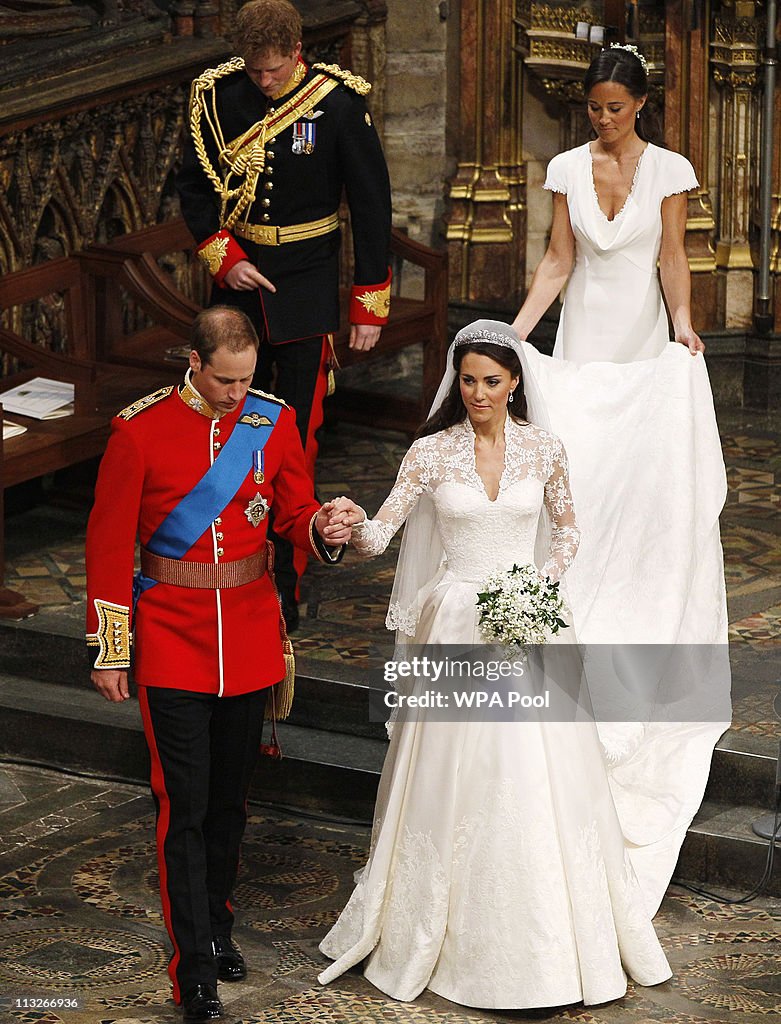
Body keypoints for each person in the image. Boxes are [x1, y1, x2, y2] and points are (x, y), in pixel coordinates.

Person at [317, 320, 672, 1008]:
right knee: (455, 776)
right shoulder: (428, 453)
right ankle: (440, 929)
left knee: (533, 770)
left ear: (514, 383)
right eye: (469, 380)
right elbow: (381, 535)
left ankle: (544, 938)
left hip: (527, 620)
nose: (478, 392)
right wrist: (349, 524)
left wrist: (540, 581)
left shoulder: (544, 448)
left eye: (492, 381)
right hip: (454, 624)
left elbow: (567, 528)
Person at [510, 44, 730, 913]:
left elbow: (670, 258)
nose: (599, 119)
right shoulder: (566, 166)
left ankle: (635, 581)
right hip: (580, 346)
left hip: (640, 345)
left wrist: (682, 327)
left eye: (611, 107)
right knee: (577, 478)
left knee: (635, 480)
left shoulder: (669, 169)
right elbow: (559, 262)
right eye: (591, 107)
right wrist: (513, 331)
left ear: (637, 103)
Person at [86, 306, 351, 1023]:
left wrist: (322, 525)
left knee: (231, 806)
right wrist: (113, 650)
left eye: (246, 379)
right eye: (224, 380)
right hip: (171, 642)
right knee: (185, 812)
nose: (237, 395)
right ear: (194, 363)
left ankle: (219, 925)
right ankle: (192, 969)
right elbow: (109, 546)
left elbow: (293, 514)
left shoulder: (272, 420)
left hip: (251, 637)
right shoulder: (139, 432)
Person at [177, 0, 392, 630]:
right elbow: (193, 186)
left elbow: (372, 206)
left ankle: (283, 585)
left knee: (290, 443)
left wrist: (368, 303)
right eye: (255, 70)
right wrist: (225, 258)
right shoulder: (218, 97)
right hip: (239, 294)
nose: (263, 81)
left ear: (297, 52)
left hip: (304, 292)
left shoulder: (339, 105)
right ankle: (228, 567)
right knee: (224, 432)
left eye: (273, 71)